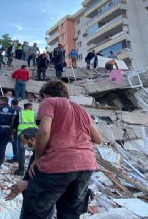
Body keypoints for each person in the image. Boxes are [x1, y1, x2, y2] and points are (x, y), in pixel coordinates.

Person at [20, 79, 102, 219]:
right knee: (70, 213)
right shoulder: (80, 108)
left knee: (36, 210)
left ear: (45, 95)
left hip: (59, 164)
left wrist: (38, 158)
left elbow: (44, 131)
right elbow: (97, 139)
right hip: (86, 166)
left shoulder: (49, 102)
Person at [6, 128, 39, 200]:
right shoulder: (35, 154)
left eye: (23, 141)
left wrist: (27, 184)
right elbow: (28, 174)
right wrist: (18, 189)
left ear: (32, 140)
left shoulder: (47, 156)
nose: (22, 144)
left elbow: (47, 180)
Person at [0, 97, 18, 171]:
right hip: (7, 130)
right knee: (2, 147)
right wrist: (11, 132)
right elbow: (13, 121)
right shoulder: (13, 110)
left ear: (2, 101)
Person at [14, 103, 37, 175]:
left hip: (22, 134)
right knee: (35, 151)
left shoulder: (21, 113)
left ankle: (21, 170)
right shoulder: (34, 113)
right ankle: (34, 169)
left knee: (21, 151)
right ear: (30, 107)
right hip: (34, 133)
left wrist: (12, 132)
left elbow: (15, 124)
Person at [8, 99, 23, 164]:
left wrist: (12, 129)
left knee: (14, 142)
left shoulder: (12, 109)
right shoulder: (21, 109)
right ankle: (19, 157)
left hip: (15, 128)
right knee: (19, 143)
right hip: (21, 128)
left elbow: (13, 120)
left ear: (12, 103)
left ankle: (15, 157)